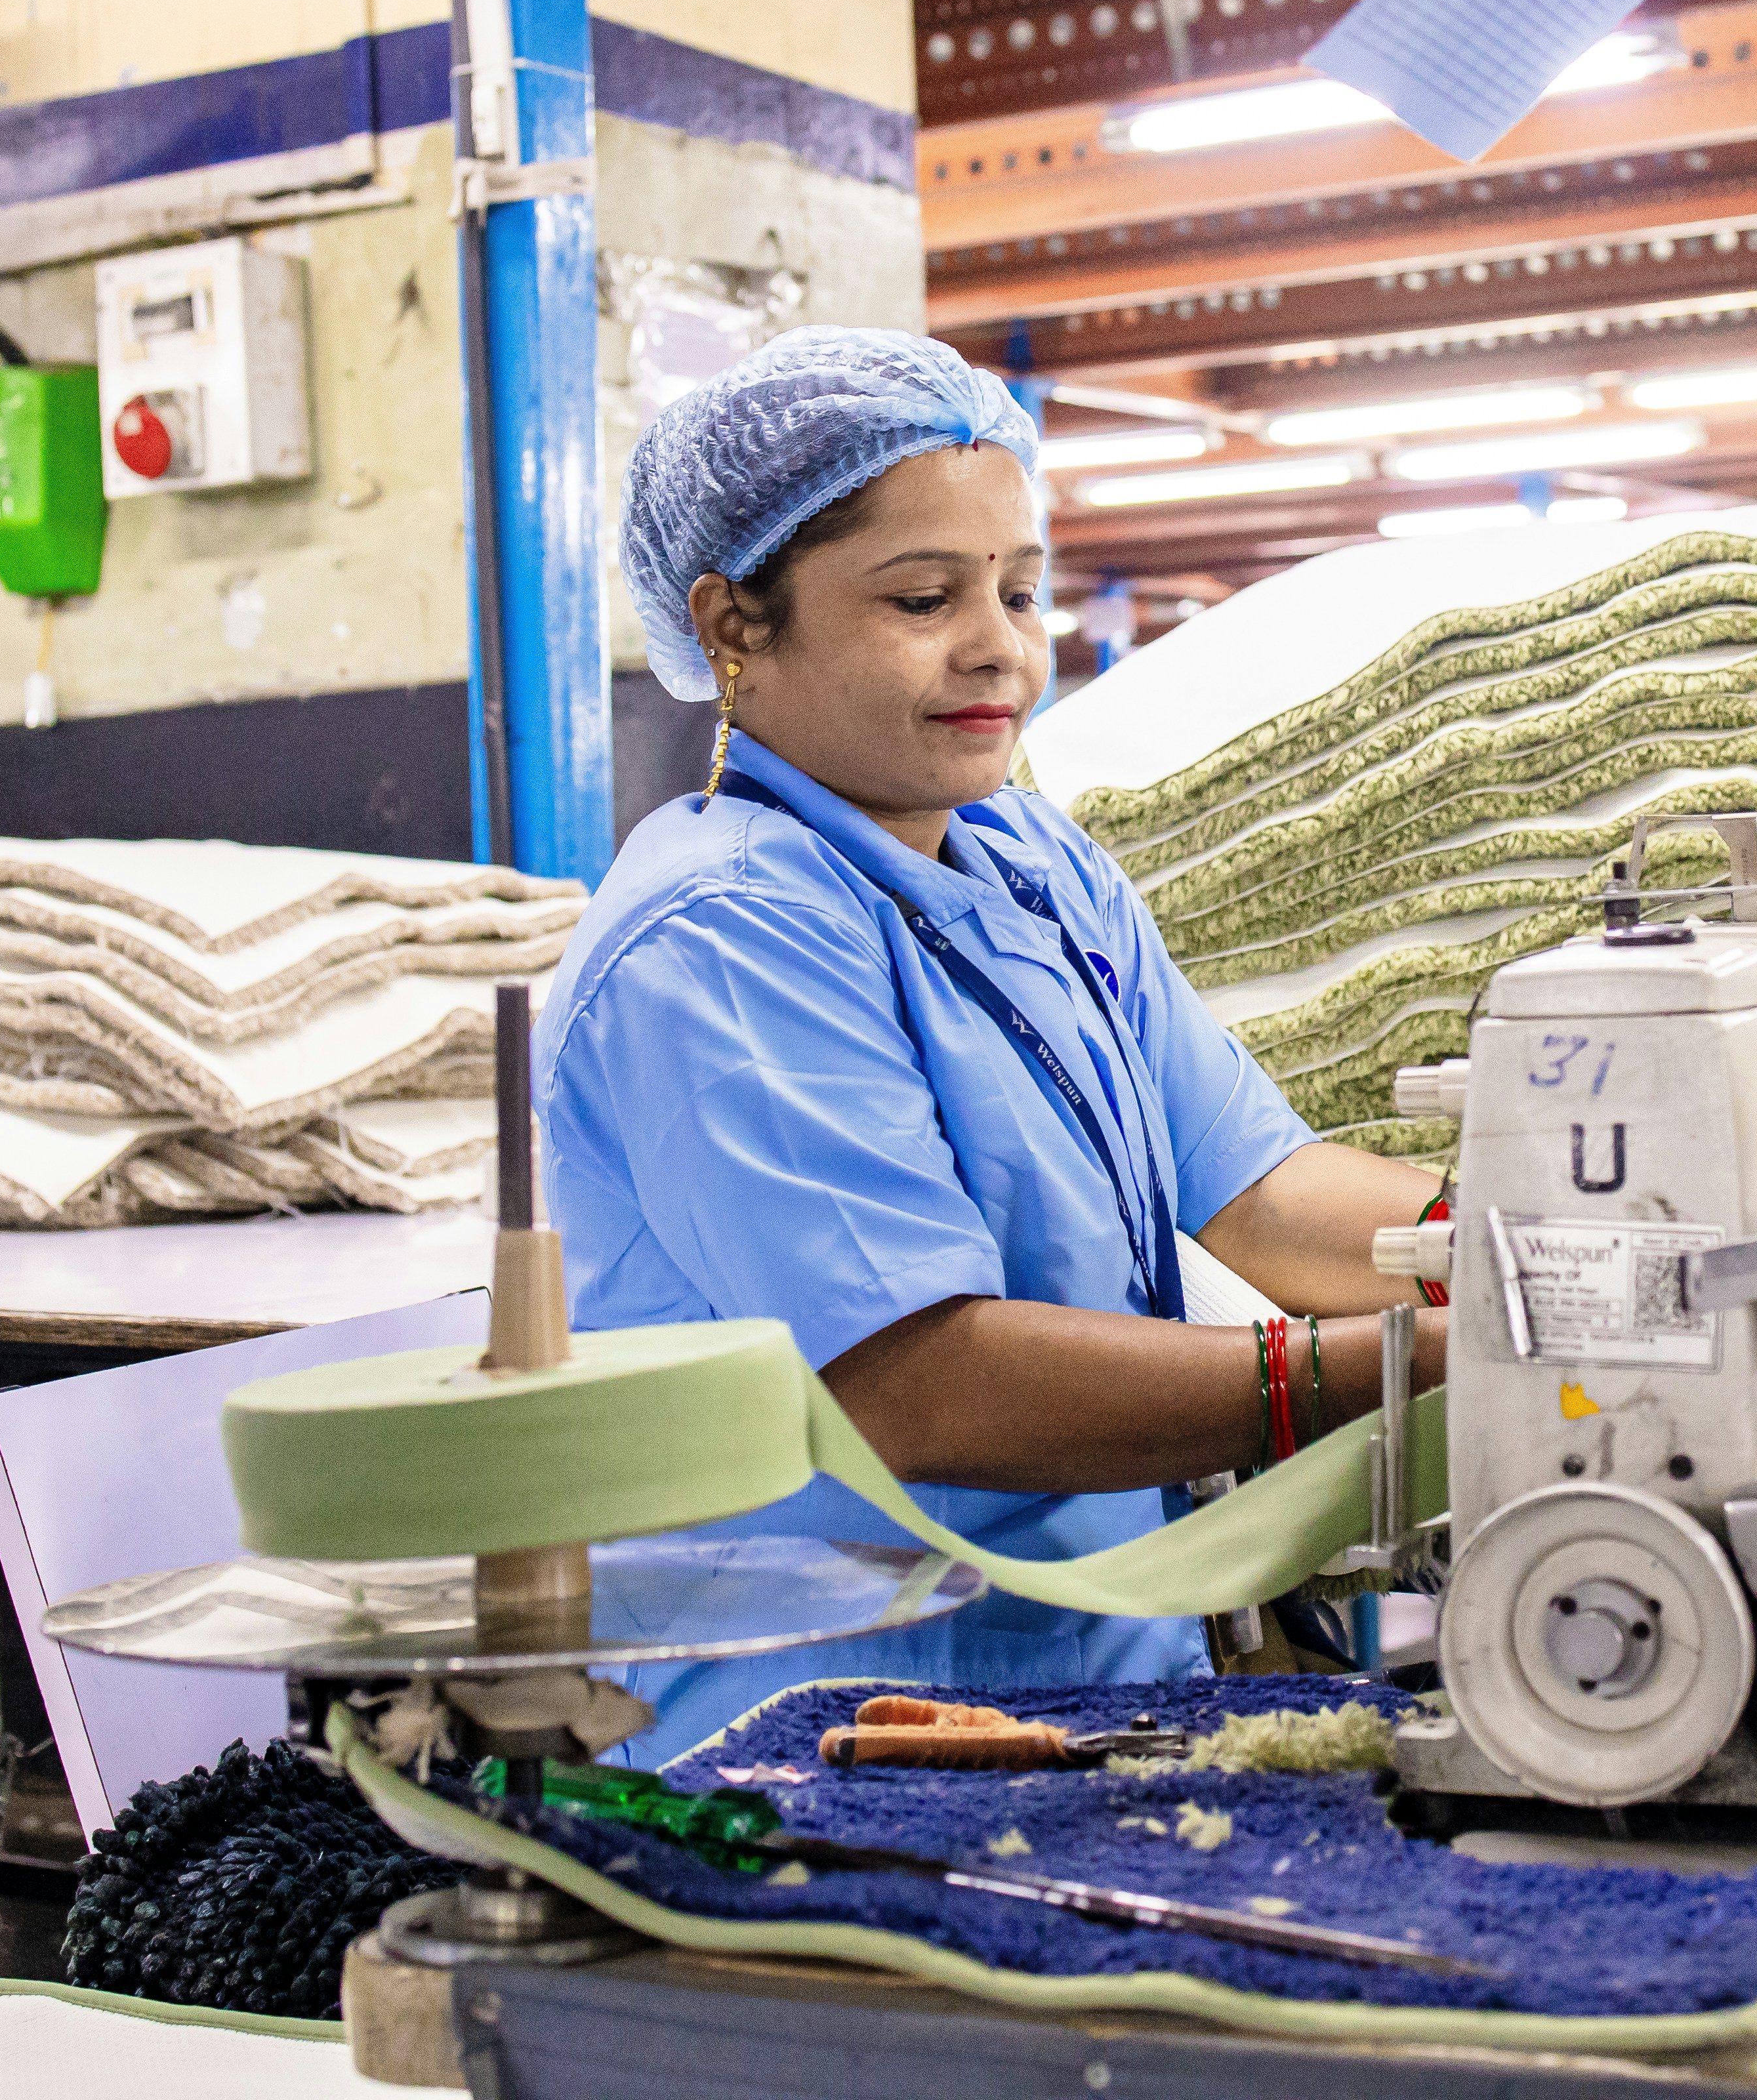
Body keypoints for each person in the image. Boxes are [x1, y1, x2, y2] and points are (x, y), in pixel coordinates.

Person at [539, 329, 1448, 1756]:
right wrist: (1399, 1364)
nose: (1002, 647)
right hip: (824, 1716)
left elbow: (1263, 1191)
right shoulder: (716, 939)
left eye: (1022, 590)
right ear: (730, 625)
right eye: (922, 596)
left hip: (1097, 1671)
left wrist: (1541, 1239)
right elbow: (924, 1380)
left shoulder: (1030, 858)